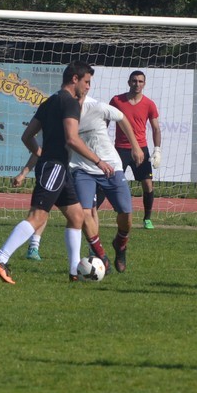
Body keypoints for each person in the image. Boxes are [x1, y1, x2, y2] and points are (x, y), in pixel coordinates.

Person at [0, 61, 110, 283]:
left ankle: (74, 271)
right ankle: (1, 257)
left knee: (77, 216)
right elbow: (72, 139)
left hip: (56, 167)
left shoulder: (50, 101)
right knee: (38, 217)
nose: (88, 87)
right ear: (74, 79)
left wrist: (41, 154)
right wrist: (98, 161)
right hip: (55, 167)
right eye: (86, 82)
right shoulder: (69, 103)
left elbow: (27, 136)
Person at [71, 93, 143, 273]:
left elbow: (122, 117)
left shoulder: (97, 107)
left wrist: (135, 146)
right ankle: (101, 255)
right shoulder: (62, 111)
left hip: (111, 166)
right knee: (85, 213)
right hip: (82, 168)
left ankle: (120, 244)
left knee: (126, 214)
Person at [110, 70, 162, 229]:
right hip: (120, 149)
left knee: (147, 184)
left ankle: (147, 219)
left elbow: (156, 128)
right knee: (109, 181)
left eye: (140, 81)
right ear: (129, 82)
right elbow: (104, 122)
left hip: (141, 150)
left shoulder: (149, 104)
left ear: (144, 84)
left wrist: (157, 150)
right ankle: (92, 214)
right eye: (134, 81)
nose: (137, 84)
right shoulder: (116, 101)